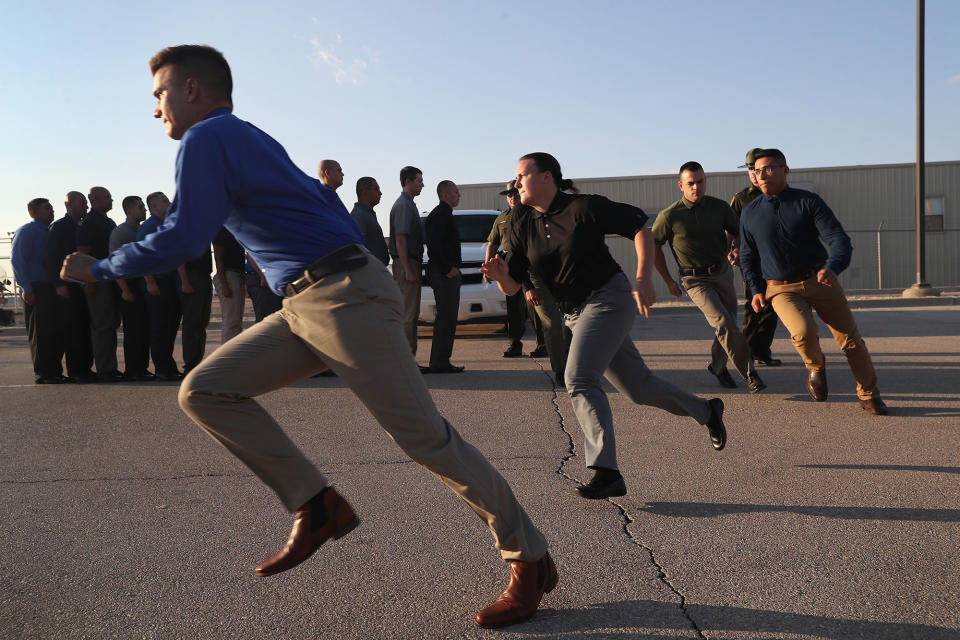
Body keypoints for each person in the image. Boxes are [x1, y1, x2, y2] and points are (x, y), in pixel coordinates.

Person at [62, 44, 556, 628]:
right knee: (205, 389)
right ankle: (316, 505)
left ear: (192, 89)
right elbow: (317, 207)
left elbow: (185, 234)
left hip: (341, 295)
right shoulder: (249, 138)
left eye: (159, 94)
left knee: (426, 439)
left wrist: (100, 268)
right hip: (307, 300)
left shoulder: (206, 139)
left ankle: (530, 557)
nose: (155, 109)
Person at [482, 152, 727, 500]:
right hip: (574, 313)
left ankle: (606, 471)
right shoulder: (522, 225)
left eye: (522, 175)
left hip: (608, 298)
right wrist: (502, 276)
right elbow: (513, 286)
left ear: (547, 177)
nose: (516, 182)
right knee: (640, 388)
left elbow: (639, 227)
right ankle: (707, 411)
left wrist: (643, 278)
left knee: (579, 377)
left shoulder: (582, 208)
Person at [739, 148, 888, 415]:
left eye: (768, 168)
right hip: (780, 288)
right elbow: (748, 256)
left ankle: (869, 394)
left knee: (851, 342)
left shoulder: (808, 202)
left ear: (786, 170)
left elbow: (838, 239)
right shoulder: (749, 213)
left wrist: (833, 266)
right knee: (803, 331)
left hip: (820, 279)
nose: (761, 175)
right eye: (756, 170)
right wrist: (755, 290)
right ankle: (815, 367)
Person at [653, 161, 764, 393]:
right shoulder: (670, 216)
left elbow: (737, 232)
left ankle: (717, 366)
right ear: (681, 185)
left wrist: (735, 249)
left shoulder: (720, 207)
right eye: (690, 183)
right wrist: (668, 281)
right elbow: (653, 247)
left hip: (722, 274)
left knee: (728, 325)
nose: (696, 187)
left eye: (700, 181)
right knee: (724, 323)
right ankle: (750, 374)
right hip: (694, 281)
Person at [730, 149, 781, 367]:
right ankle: (747, 353)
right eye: (751, 169)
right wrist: (733, 250)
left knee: (773, 307)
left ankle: (762, 351)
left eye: (757, 168)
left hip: (776, 259)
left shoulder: (777, 193)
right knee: (754, 305)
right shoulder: (741, 199)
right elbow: (731, 229)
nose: (754, 173)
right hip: (750, 260)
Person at [44, 191, 95, 382]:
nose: (86, 206)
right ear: (69, 205)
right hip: (67, 285)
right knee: (72, 329)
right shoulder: (59, 228)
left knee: (84, 327)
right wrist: (58, 285)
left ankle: (85, 368)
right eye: (82, 203)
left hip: (82, 284)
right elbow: (50, 259)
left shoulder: (82, 226)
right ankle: (76, 371)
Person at [12, 197, 65, 383]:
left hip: (51, 287)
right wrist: (26, 288)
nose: (51, 211)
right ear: (33, 212)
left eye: (51, 208)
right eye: (47, 208)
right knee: (41, 331)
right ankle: (44, 373)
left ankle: (55, 371)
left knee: (55, 330)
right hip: (36, 287)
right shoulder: (27, 231)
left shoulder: (49, 232)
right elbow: (17, 260)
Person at [76, 186, 123, 382]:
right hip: (97, 281)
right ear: (95, 200)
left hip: (109, 279)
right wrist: (89, 283)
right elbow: (82, 254)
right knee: (102, 325)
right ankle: (105, 369)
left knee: (110, 324)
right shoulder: (89, 223)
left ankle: (110, 367)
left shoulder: (108, 221)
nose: (111, 200)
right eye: (107, 197)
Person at [139, 192, 183, 381]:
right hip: (157, 283)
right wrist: (150, 282)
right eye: (165, 201)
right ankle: (162, 368)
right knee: (160, 327)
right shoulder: (149, 227)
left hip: (169, 281)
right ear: (154, 207)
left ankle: (168, 365)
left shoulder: (166, 225)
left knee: (170, 325)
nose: (170, 203)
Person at [110, 196, 153, 381]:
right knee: (133, 331)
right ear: (128, 210)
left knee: (143, 330)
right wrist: (125, 290)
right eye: (140, 207)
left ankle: (141, 368)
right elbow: (114, 263)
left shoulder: (140, 230)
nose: (144, 209)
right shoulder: (121, 232)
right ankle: (133, 370)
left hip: (140, 284)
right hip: (129, 286)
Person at [424, 180, 465, 373]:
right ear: (446, 195)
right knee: (446, 318)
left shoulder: (445, 214)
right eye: (456, 192)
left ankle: (441, 361)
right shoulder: (439, 215)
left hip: (447, 273)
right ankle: (439, 362)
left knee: (448, 318)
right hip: (443, 274)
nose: (459, 195)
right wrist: (447, 269)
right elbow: (434, 246)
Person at [389, 166, 426, 358]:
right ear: (408, 181)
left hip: (409, 262)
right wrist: (407, 269)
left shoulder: (409, 204)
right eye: (419, 180)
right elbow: (400, 239)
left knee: (410, 314)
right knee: (408, 314)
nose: (422, 184)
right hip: (406, 263)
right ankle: (406, 360)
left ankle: (408, 359)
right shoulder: (403, 205)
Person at [213, 226, 246, 343]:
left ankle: (233, 351)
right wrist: (224, 285)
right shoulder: (221, 230)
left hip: (236, 274)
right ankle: (228, 353)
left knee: (235, 321)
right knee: (231, 322)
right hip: (229, 275)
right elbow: (218, 258)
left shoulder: (233, 229)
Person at [349, 177, 389, 265]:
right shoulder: (359, 216)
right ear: (365, 192)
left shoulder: (367, 214)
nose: (380, 193)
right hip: (369, 274)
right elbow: (356, 250)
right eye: (376, 189)